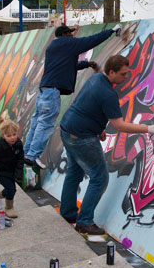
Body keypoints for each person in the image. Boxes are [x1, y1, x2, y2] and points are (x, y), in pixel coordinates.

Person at [58, 54, 154, 235]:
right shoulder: (108, 94)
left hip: (68, 129)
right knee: (99, 178)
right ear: (111, 72)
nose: (126, 77)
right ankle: (84, 221)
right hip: (82, 138)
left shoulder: (96, 79)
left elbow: (85, 106)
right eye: (123, 74)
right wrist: (150, 129)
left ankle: (68, 214)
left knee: (74, 172)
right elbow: (119, 125)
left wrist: (98, 128)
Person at [22, 24, 122, 173]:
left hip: (44, 91)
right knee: (46, 124)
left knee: (36, 122)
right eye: (70, 33)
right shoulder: (67, 43)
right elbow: (90, 41)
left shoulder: (53, 47)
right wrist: (111, 31)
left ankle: (26, 153)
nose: (73, 36)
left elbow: (66, 65)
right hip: (51, 93)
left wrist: (85, 64)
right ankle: (33, 155)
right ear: (64, 35)